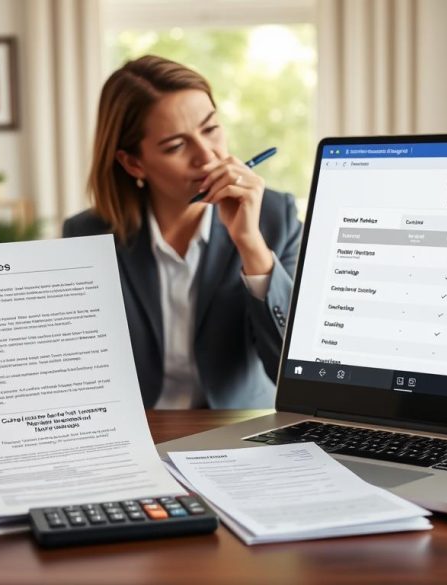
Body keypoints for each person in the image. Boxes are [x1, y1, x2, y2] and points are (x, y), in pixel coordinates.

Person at [63, 55, 301, 409]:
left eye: (210, 129)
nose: (207, 156)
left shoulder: (274, 217)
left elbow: (291, 372)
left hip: (239, 427)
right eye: (176, 146)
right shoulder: (86, 235)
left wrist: (251, 246)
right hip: (144, 428)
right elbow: (78, 368)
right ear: (133, 163)